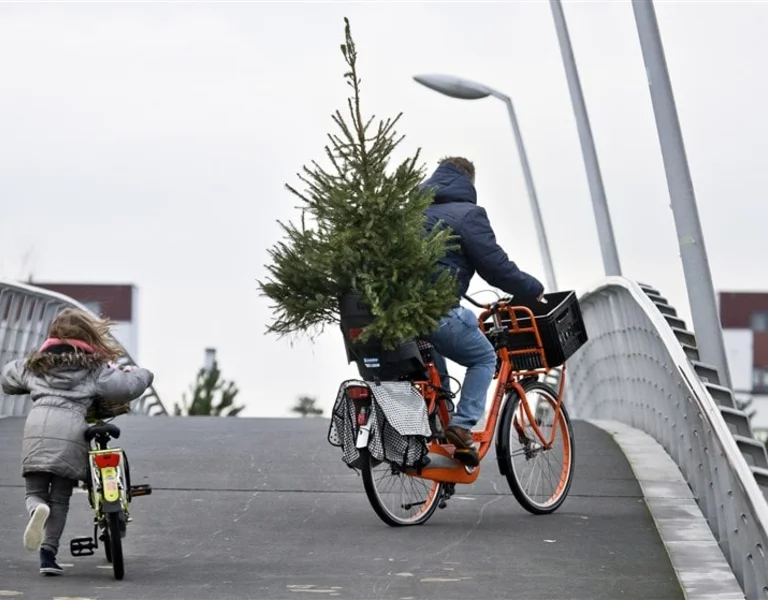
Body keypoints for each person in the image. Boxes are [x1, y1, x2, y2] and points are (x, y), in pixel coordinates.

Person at [0, 308, 154, 576]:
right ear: (87, 336)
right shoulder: (93, 369)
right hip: (72, 432)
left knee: (35, 492)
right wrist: (144, 374)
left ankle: (37, 509)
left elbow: (7, 378)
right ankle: (48, 555)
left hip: (36, 428)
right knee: (60, 498)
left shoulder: (35, 365)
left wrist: (29, 375)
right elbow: (126, 386)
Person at [421, 156, 544, 466]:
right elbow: (496, 267)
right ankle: (462, 426)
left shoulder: (412, 213)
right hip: (437, 311)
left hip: (397, 314)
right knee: (484, 356)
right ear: (468, 182)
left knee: (436, 379)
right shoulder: (468, 214)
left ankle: (436, 443)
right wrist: (531, 288)